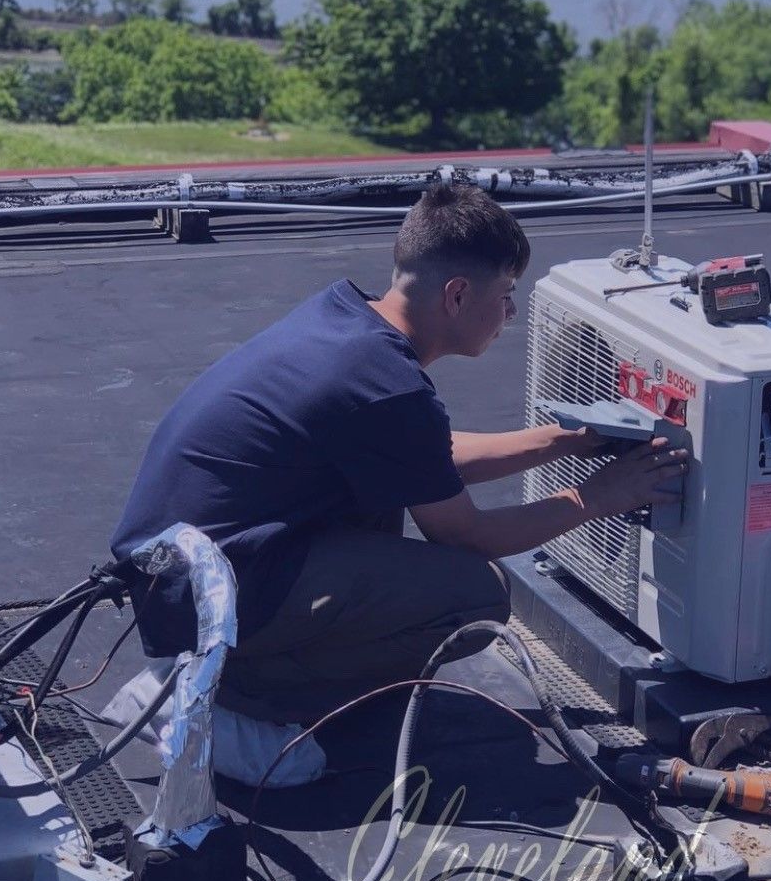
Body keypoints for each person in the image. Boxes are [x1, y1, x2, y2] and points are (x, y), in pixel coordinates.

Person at [111, 185, 687, 724]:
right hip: (205, 595)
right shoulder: (384, 383)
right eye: (506, 297)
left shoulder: (349, 324)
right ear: (458, 295)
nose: (510, 315)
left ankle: (226, 675)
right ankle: (225, 699)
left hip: (183, 574)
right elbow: (466, 538)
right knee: (478, 595)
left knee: (387, 518)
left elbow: (425, 459)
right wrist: (602, 495)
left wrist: (571, 440)